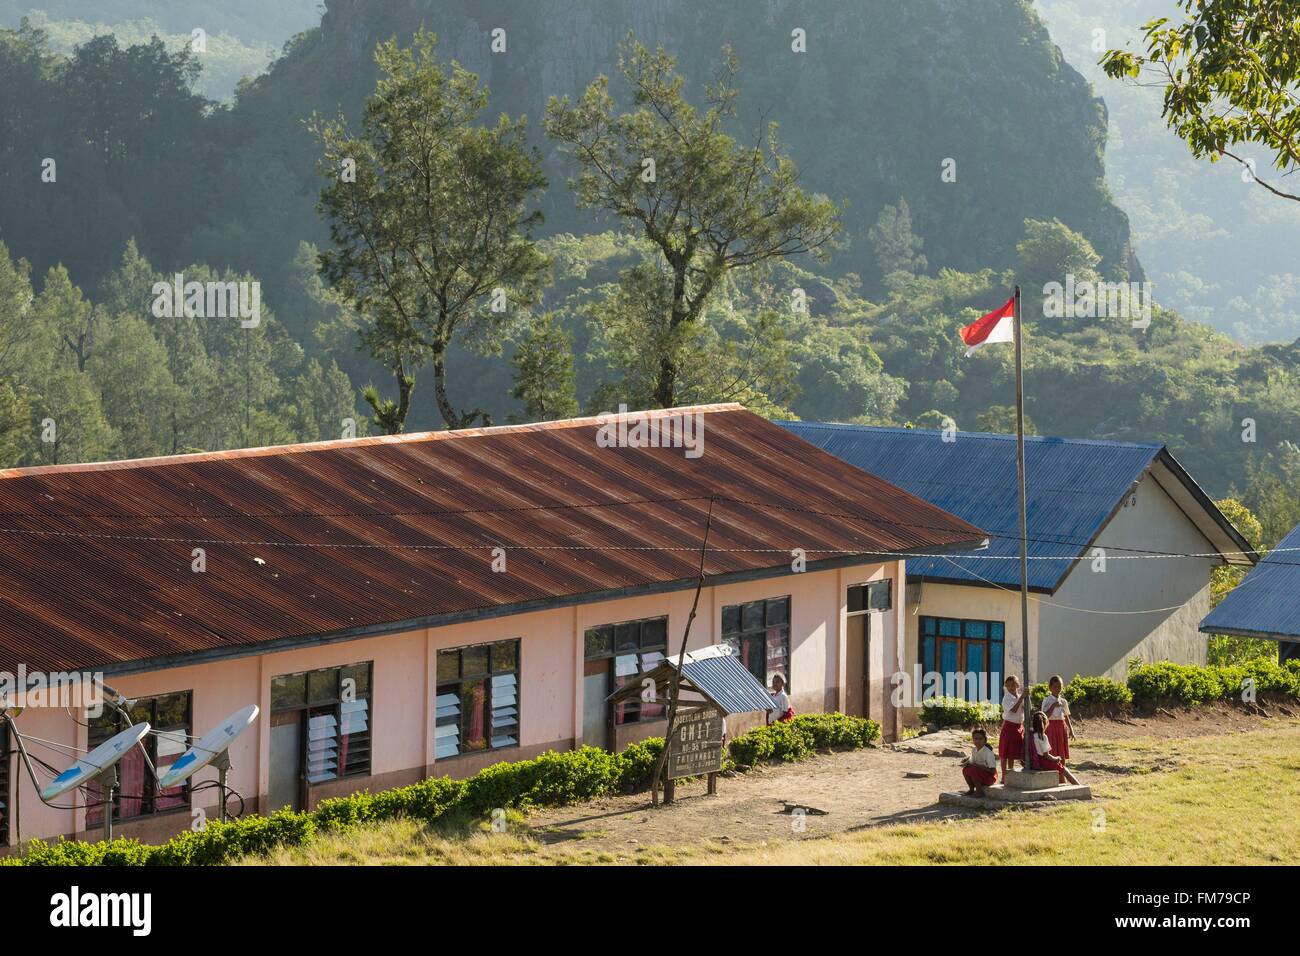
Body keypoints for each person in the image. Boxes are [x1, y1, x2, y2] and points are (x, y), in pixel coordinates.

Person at [1029, 711, 1080, 785]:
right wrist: (1056, 758)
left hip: (1034, 761)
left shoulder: (1031, 735)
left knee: (1060, 766)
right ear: (1044, 723)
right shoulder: (1042, 736)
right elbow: (1046, 755)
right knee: (1064, 769)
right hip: (1043, 762)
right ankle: (1078, 785)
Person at [998, 675, 1028, 782]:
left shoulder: (1020, 696)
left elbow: (1026, 709)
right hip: (1009, 726)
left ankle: (1010, 775)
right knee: (1004, 752)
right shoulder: (1007, 698)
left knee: (1012, 753)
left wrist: (1025, 697)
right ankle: (1003, 775)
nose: (1011, 687)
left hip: (1019, 726)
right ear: (1006, 686)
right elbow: (1014, 710)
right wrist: (1022, 698)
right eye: (1009, 685)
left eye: (1013, 685)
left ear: (1017, 685)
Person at [1041, 675, 1075, 763]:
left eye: (1059, 687)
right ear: (1050, 688)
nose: (1057, 689)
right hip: (1050, 727)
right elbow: (1044, 716)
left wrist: (1071, 730)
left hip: (1061, 727)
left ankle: (1062, 772)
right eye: (1055, 687)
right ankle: (1052, 769)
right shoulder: (1047, 700)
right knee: (1051, 748)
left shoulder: (1063, 701)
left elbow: (1066, 716)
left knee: (1061, 750)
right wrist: (1052, 706)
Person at [961, 727, 998, 795]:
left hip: (990, 778)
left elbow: (993, 771)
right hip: (980, 774)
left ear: (985, 740)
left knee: (973, 770)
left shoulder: (988, 752)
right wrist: (966, 762)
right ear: (973, 739)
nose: (977, 741)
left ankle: (979, 791)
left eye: (980, 739)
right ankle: (971, 789)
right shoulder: (974, 750)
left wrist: (979, 766)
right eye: (975, 739)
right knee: (965, 770)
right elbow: (973, 762)